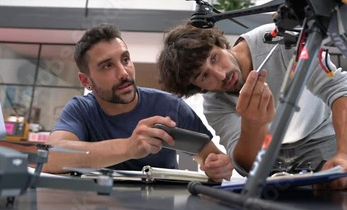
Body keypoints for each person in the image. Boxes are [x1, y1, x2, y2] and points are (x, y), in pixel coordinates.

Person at [157, 22, 347, 190]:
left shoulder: (279, 40)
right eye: (203, 76)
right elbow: (246, 165)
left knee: (338, 192)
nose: (221, 75)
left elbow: (342, 92)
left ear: (220, 43)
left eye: (214, 58)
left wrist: (346, 155)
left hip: (319, 138)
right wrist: (253, 125)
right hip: (270, 159)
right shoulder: (214, 104)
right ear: (198, 88)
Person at [43, 23, 233, 182]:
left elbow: (210, 157)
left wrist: (218, 168)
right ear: (86, 81)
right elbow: (50, 157)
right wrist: (128, 147)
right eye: (107, 66)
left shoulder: (169, 106)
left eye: (125, 60)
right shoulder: (81, 110)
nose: (124, 73)